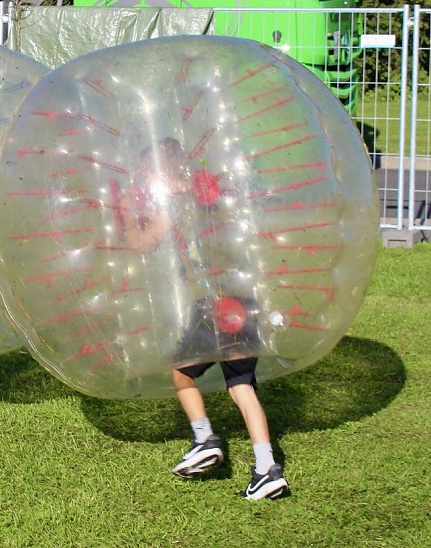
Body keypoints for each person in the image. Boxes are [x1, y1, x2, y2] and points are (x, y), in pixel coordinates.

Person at [120, 137, 289, 500]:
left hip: (211, 304)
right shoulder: (209, 191)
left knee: (181, 372)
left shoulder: (175, 202)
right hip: (242, 300)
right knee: (242, 385)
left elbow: (142, 243)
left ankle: (204, 439)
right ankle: (267, 468)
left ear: (157, 170)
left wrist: (136, 214)